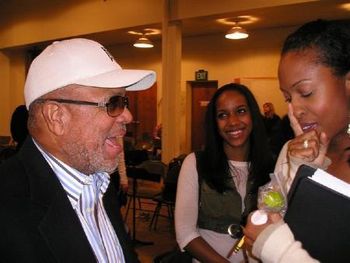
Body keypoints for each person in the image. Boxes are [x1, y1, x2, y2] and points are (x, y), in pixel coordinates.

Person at [0, 38, 156, 262]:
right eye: (113, 103)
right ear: (56, 117)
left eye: (124, 101)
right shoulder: (7, 208)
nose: (128, 116)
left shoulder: (98, 182)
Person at [243, 19, 350, 262]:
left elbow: (270, 244)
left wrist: (278, 250)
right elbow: (256, 248)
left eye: (306, 93)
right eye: (288, 98)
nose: (295, 110)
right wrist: (295, 170)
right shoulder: (292, 152)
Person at [175, 83, 274, 263]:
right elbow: (185, 233)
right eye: (222, 115)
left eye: (241, 111)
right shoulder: (196, 163)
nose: (233, 121)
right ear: (214, 123)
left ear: (253, 115)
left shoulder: (273, 166)